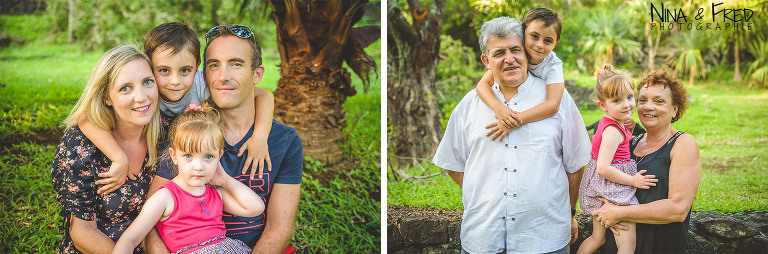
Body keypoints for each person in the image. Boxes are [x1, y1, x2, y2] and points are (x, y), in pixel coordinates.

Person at [432, 16, 591, 253]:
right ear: (486, 60)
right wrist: (484, 194)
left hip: (544, 238)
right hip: (482, 238)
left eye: (516, 50)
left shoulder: (558, 100)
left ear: (526, 52)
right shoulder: (469, 105)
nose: (510, 59)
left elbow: (576, 164)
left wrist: (569, 212)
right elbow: (452, 162)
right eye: (499, 53)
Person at [145, 24, 304, 254]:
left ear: (257, 73)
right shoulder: (189, 134)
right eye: (214, 65)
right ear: (204, 73)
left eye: (236, 64)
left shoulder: (284, 141)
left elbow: (279, 228)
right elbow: (151, 225)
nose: (223, 76)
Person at [77, 22, 276, 196]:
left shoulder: (202, 81)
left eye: (185, 71)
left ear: (198, 67)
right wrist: (119, 157)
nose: (175, 81)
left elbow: (264, 95)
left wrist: (259, 136)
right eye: (163, 70)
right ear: (149, 66)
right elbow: (85, 117)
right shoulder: (145, 89)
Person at [51, 44, 162, 253]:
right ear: (106, 97)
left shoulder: (165, 135)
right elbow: (82, 233)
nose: (141, 96)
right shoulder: (81, 146)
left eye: (147, 82)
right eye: (125, 88)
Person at [114, 103, 264, 254]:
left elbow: (255, 208)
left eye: (208, 157)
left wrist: (225, 179)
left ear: (219, 156)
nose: (198, 166)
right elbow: (129, 239)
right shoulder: (165, 197)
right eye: (188, 156)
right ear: (174, 156)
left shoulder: (216, 195)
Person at [595, 68, 702, 253]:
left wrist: (619, 213)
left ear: (675, 109)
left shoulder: (683, 144)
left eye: (659, 101)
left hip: (658, 246)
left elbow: (678, 208)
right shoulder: (628, 142)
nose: (648, 106)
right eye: (643, 100)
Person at [576, 65, 658, 254]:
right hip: (611, 186)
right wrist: (633, 180)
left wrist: (627, 127)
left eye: (629, 97)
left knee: (598, 238)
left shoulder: (612, 123)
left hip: (602, 185)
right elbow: (604, 168)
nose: (626, 105)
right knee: (627, 245)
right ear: (603, 105)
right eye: (617, 100)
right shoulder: (612, 131)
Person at [476, 7, 565, 141]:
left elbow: (553, 105)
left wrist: (514, 121)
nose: (539, 45)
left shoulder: (553, 66)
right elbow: (482, 85)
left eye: (548, 41)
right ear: (523, 34)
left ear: (555, 43)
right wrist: (499, 108)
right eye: (534, 36)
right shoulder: (516, 55)